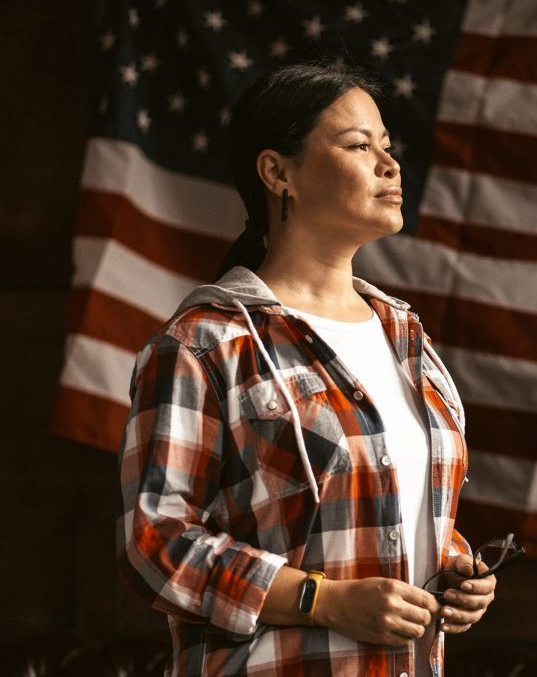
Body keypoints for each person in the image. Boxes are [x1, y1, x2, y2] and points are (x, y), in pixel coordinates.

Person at [115, 57, 495, 676]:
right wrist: (323, 600)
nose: (389, 164)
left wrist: (453, 565)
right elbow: (154, 542)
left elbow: (384, 509)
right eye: (357, 145)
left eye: (388, 146)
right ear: (277, 172)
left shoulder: (406, 338)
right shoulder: (206, 343)